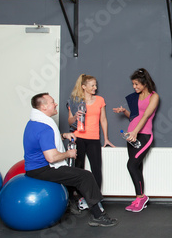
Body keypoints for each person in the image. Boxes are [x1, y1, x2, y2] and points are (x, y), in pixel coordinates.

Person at [23, 93, 118, 227]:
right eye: (52, 102)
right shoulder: (45, 127)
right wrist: (68, 153)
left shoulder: (34, 122)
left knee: (73, 173)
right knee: (85, 176)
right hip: (42, 169)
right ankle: (98, 215)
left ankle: (71, 204)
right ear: (44, 107)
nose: (55, 104)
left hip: (32, 168)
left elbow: (41, 143)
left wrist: (63, 135)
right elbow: (51, 157)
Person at [113, 68, 159, 212]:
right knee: (136, 167)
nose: (134, 87)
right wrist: (125, 112)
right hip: (131, 135)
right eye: (133, 84)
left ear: (145, 83)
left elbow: (145, 116)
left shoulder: (154, 96)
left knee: (131, 165)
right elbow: (135, 116)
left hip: (144, 135)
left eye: (137, 84)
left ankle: (141, 197)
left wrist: (135, 132)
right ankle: (139, 198)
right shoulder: (135, 97)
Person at [67, 74, 114, 208]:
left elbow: (103, 120)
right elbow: (70, 121)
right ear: (84, 87)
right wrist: (75, 116)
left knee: (96, 170)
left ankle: (95, 199)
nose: (95, 87)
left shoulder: (100, 100)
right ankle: (79, 198)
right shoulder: (75, 101)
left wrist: (106, 139)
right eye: (92, 85)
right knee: (78, 169)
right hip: (78, 137)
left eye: (95, 85)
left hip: (93, 139)